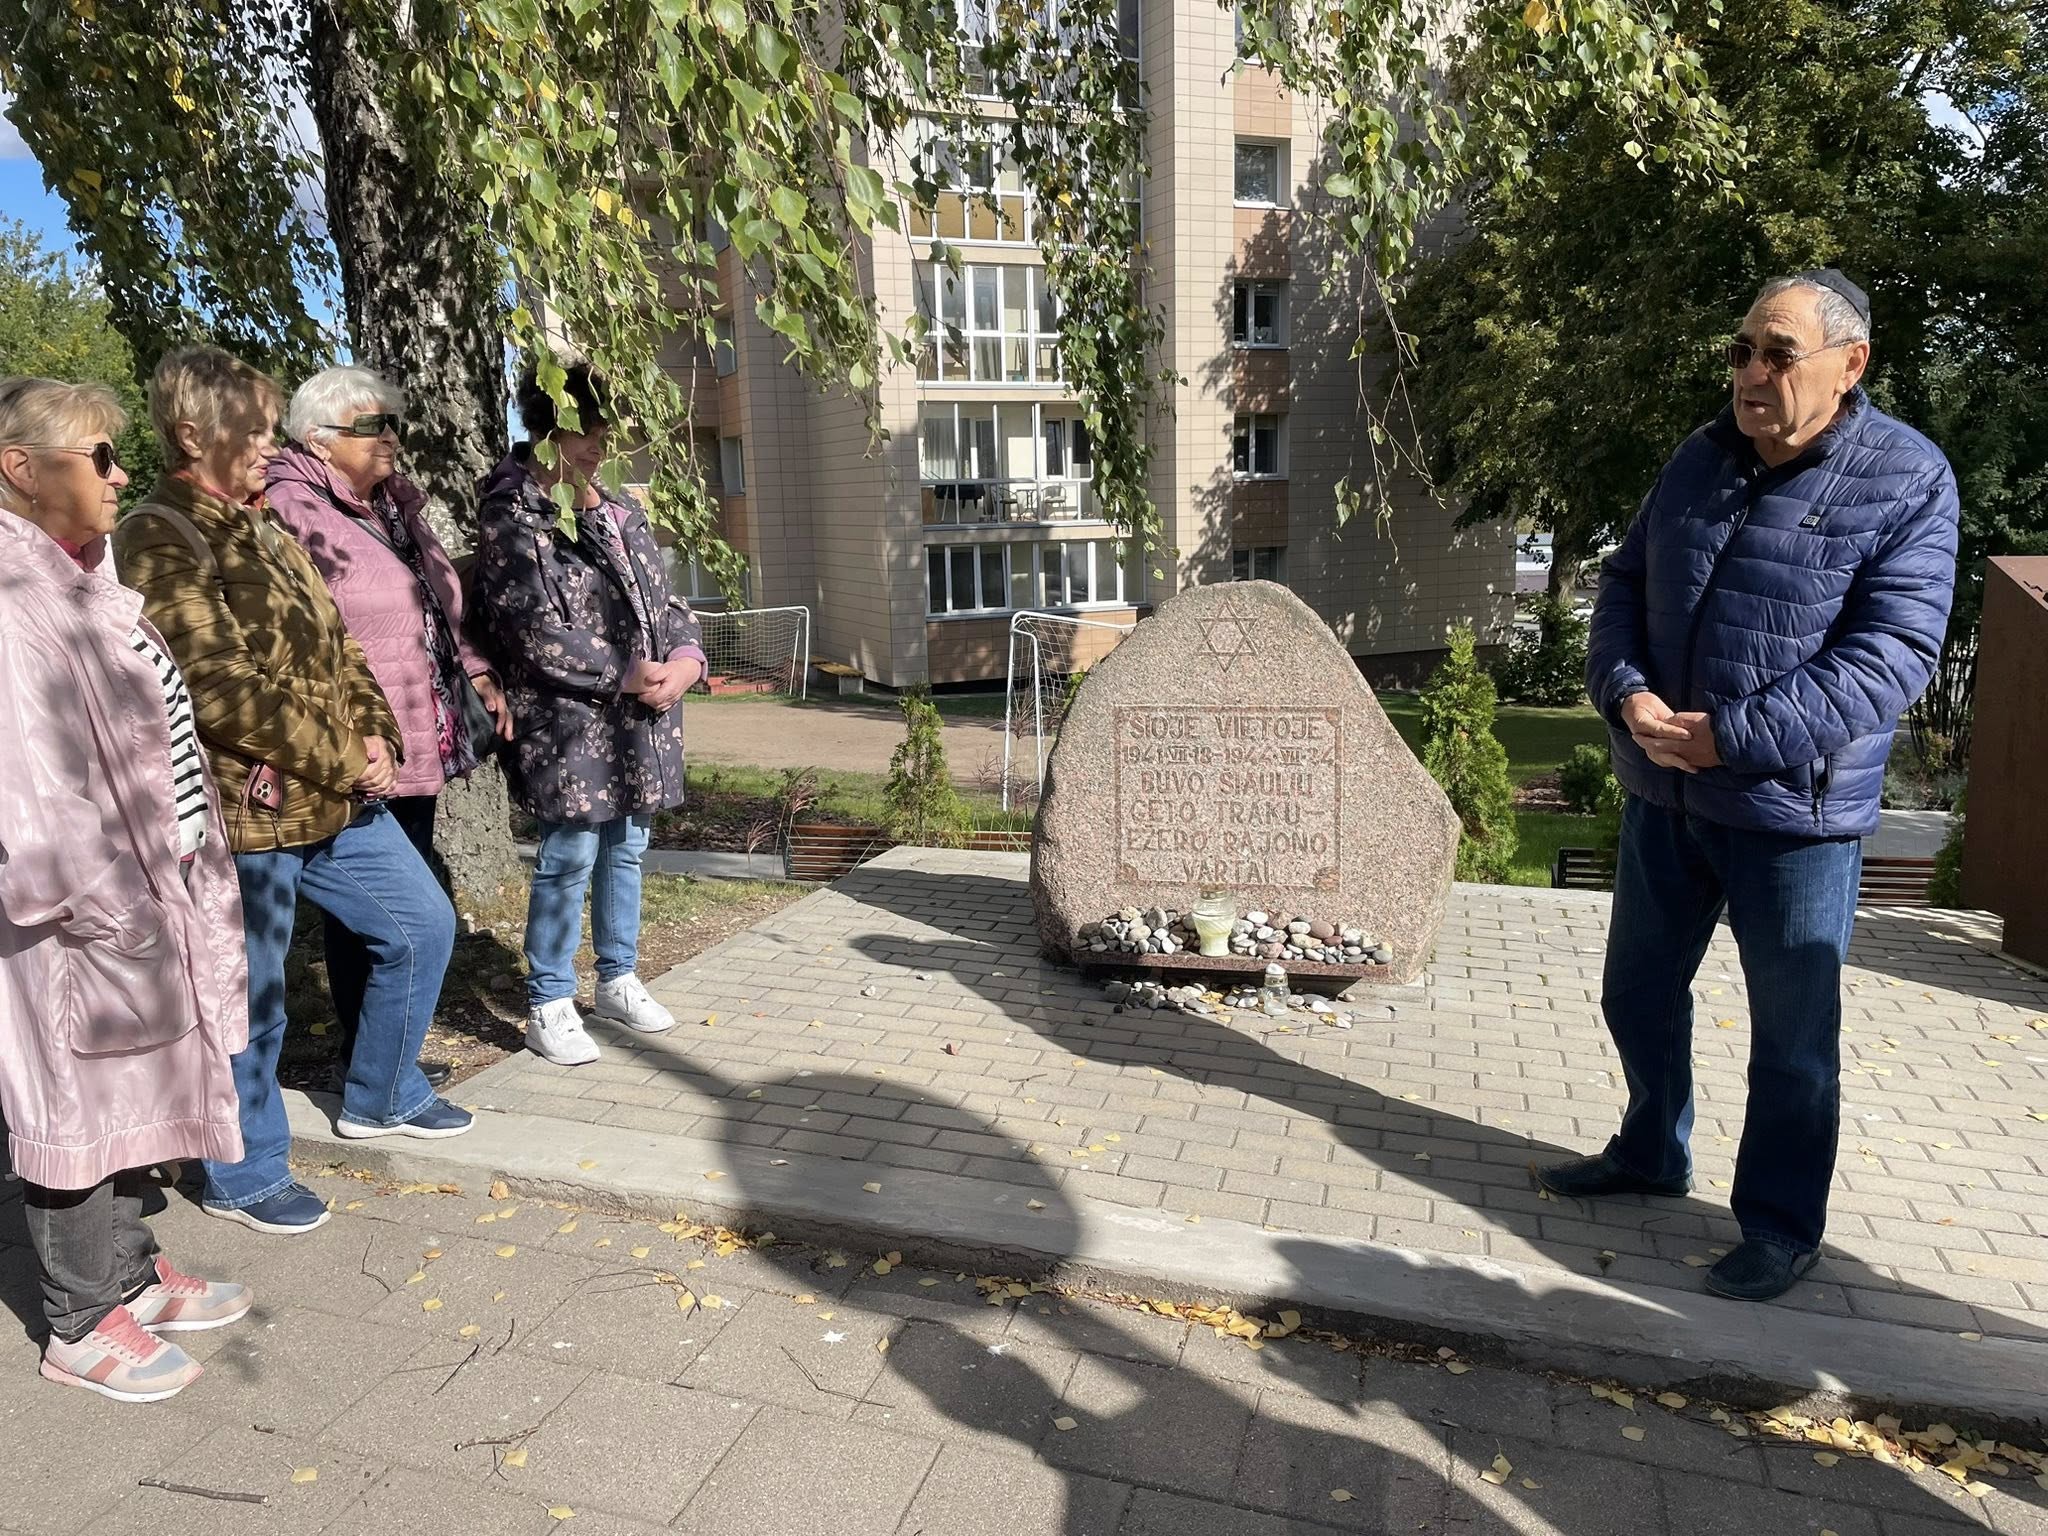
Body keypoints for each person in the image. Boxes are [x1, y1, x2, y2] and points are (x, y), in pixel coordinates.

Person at [1539, 270, 1959, 1301]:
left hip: (1792, 814)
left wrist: (1731, 739)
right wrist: (1625, 693)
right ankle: (1651, 1151)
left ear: (1849, 364)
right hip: (1664, 792)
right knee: (1635, 992)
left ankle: (1778, 1225)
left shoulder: (1907, 478)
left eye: (1777, 354)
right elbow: (1624, 583)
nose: (1750, 374)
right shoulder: (1700, 456)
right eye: (1741, 351)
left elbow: (1890, 657)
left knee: (1791, 1042)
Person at [113, 345, 473, 1240]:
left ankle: (382, 1093)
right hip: (246, 808)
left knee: (422, 925)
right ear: (191, 434)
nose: (271, 446)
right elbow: (218, 687)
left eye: (275, 429)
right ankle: (243, 1170)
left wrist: (378, 735)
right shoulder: (161, 532)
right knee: (251, 994)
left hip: (332, 791)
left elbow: (338, 644)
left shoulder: (265, 524)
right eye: (255, 430)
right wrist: (344, 754)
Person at [0, 377, 254, 1400]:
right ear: (21, 469)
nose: (120, 474)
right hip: (81, 914)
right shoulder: (13, 604)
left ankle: (130, 1277)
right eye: (98, 456)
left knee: (135, 1093)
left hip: (146, 896)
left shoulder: (82, 582)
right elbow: (26, 793)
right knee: (70, 1104)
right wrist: (103, 905)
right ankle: (77, 1322)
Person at [266, 366, 514, 1090]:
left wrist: (477, 669)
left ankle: (383, 1053)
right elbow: (297, 633)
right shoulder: (291, 506)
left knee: (401, 886)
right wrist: (344, 732)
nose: (390, 439)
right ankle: (365, 1058)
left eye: (392, 424)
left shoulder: (394, 507)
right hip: (355, 739)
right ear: (318, 437)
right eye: (371, 426)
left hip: (416, 722)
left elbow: (438, 603)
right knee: (368, 910)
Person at [473, 361, 706, 1066]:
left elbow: (664, 601)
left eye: (606, 434)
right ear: (549, 431)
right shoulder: (515, 512)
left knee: (627, 845)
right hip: (570, 721)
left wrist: (686, 660)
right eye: (588, 434)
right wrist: (626, 673)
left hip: (638, 718)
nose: (601, 448)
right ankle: (548, 999)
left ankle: (617, 977)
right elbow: (531, 630)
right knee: (570, 854)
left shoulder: (618, 507)